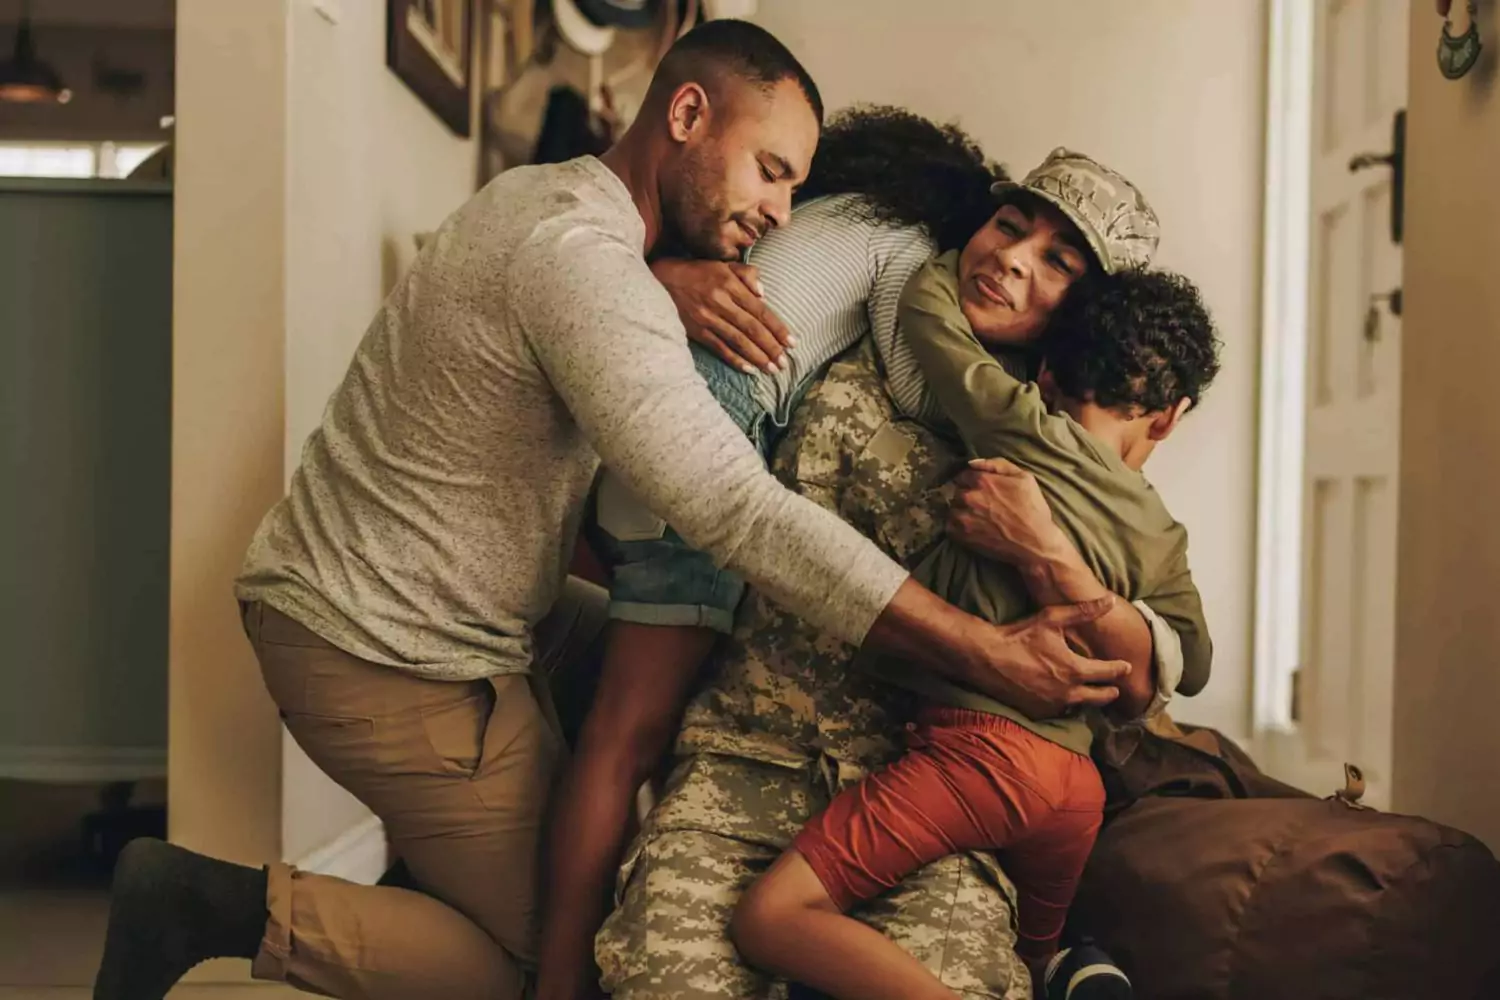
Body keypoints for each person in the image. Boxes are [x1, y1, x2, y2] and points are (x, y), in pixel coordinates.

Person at [93, 22, 1130, 1000]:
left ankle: (479, 851)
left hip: (454, 606)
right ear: (685, 117)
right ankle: (212, 908)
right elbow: (733, 504)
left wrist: (670, 272)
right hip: (384, 647)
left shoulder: (559, 207)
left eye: (796, 188)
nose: (778, 216)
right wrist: (984, 651)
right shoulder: (587, 263)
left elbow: (611, 299)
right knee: (549, 950)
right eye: (770, 172)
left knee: (691, 686)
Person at [537, 115, 1164, 1000]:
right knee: (662, 980)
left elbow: (1143, 672)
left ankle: (1057, 954)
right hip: (740, 768)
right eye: (1013, 227)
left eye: (1060, 262)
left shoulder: (1074, 454)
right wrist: (671, 280)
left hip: (919, 798)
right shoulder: (843, 325)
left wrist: (1048, 550)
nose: (1016, 259)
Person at [729, 260, 1221, 1000]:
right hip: (1074, 789)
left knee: (770, 919)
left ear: (1047, 373)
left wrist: (955, 254)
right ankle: (1068, 968)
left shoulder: (1022, 424)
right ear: (1170, 414)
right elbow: (1195, 661)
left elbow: (929, 313)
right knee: (1032, 953)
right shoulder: (1161, 534)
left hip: (982, 760)